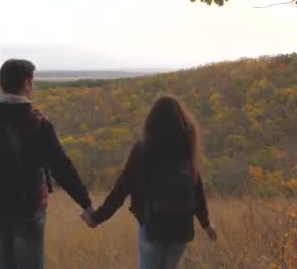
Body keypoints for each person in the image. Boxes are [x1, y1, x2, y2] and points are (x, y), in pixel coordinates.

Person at [0, 59, 93, 269]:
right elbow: (62, 168)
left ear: (2, 83)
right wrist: (86, 204)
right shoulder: (38, 124)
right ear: (27, 83)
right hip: (29, 209)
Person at [82, 95, 217, 269]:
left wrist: (96, 218)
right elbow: (196, 186)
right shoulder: (186, 148)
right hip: (181, 228)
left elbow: (122, 188)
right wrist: (206, 224)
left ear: (152, 121)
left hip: (153, 225)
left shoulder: (144, 147)